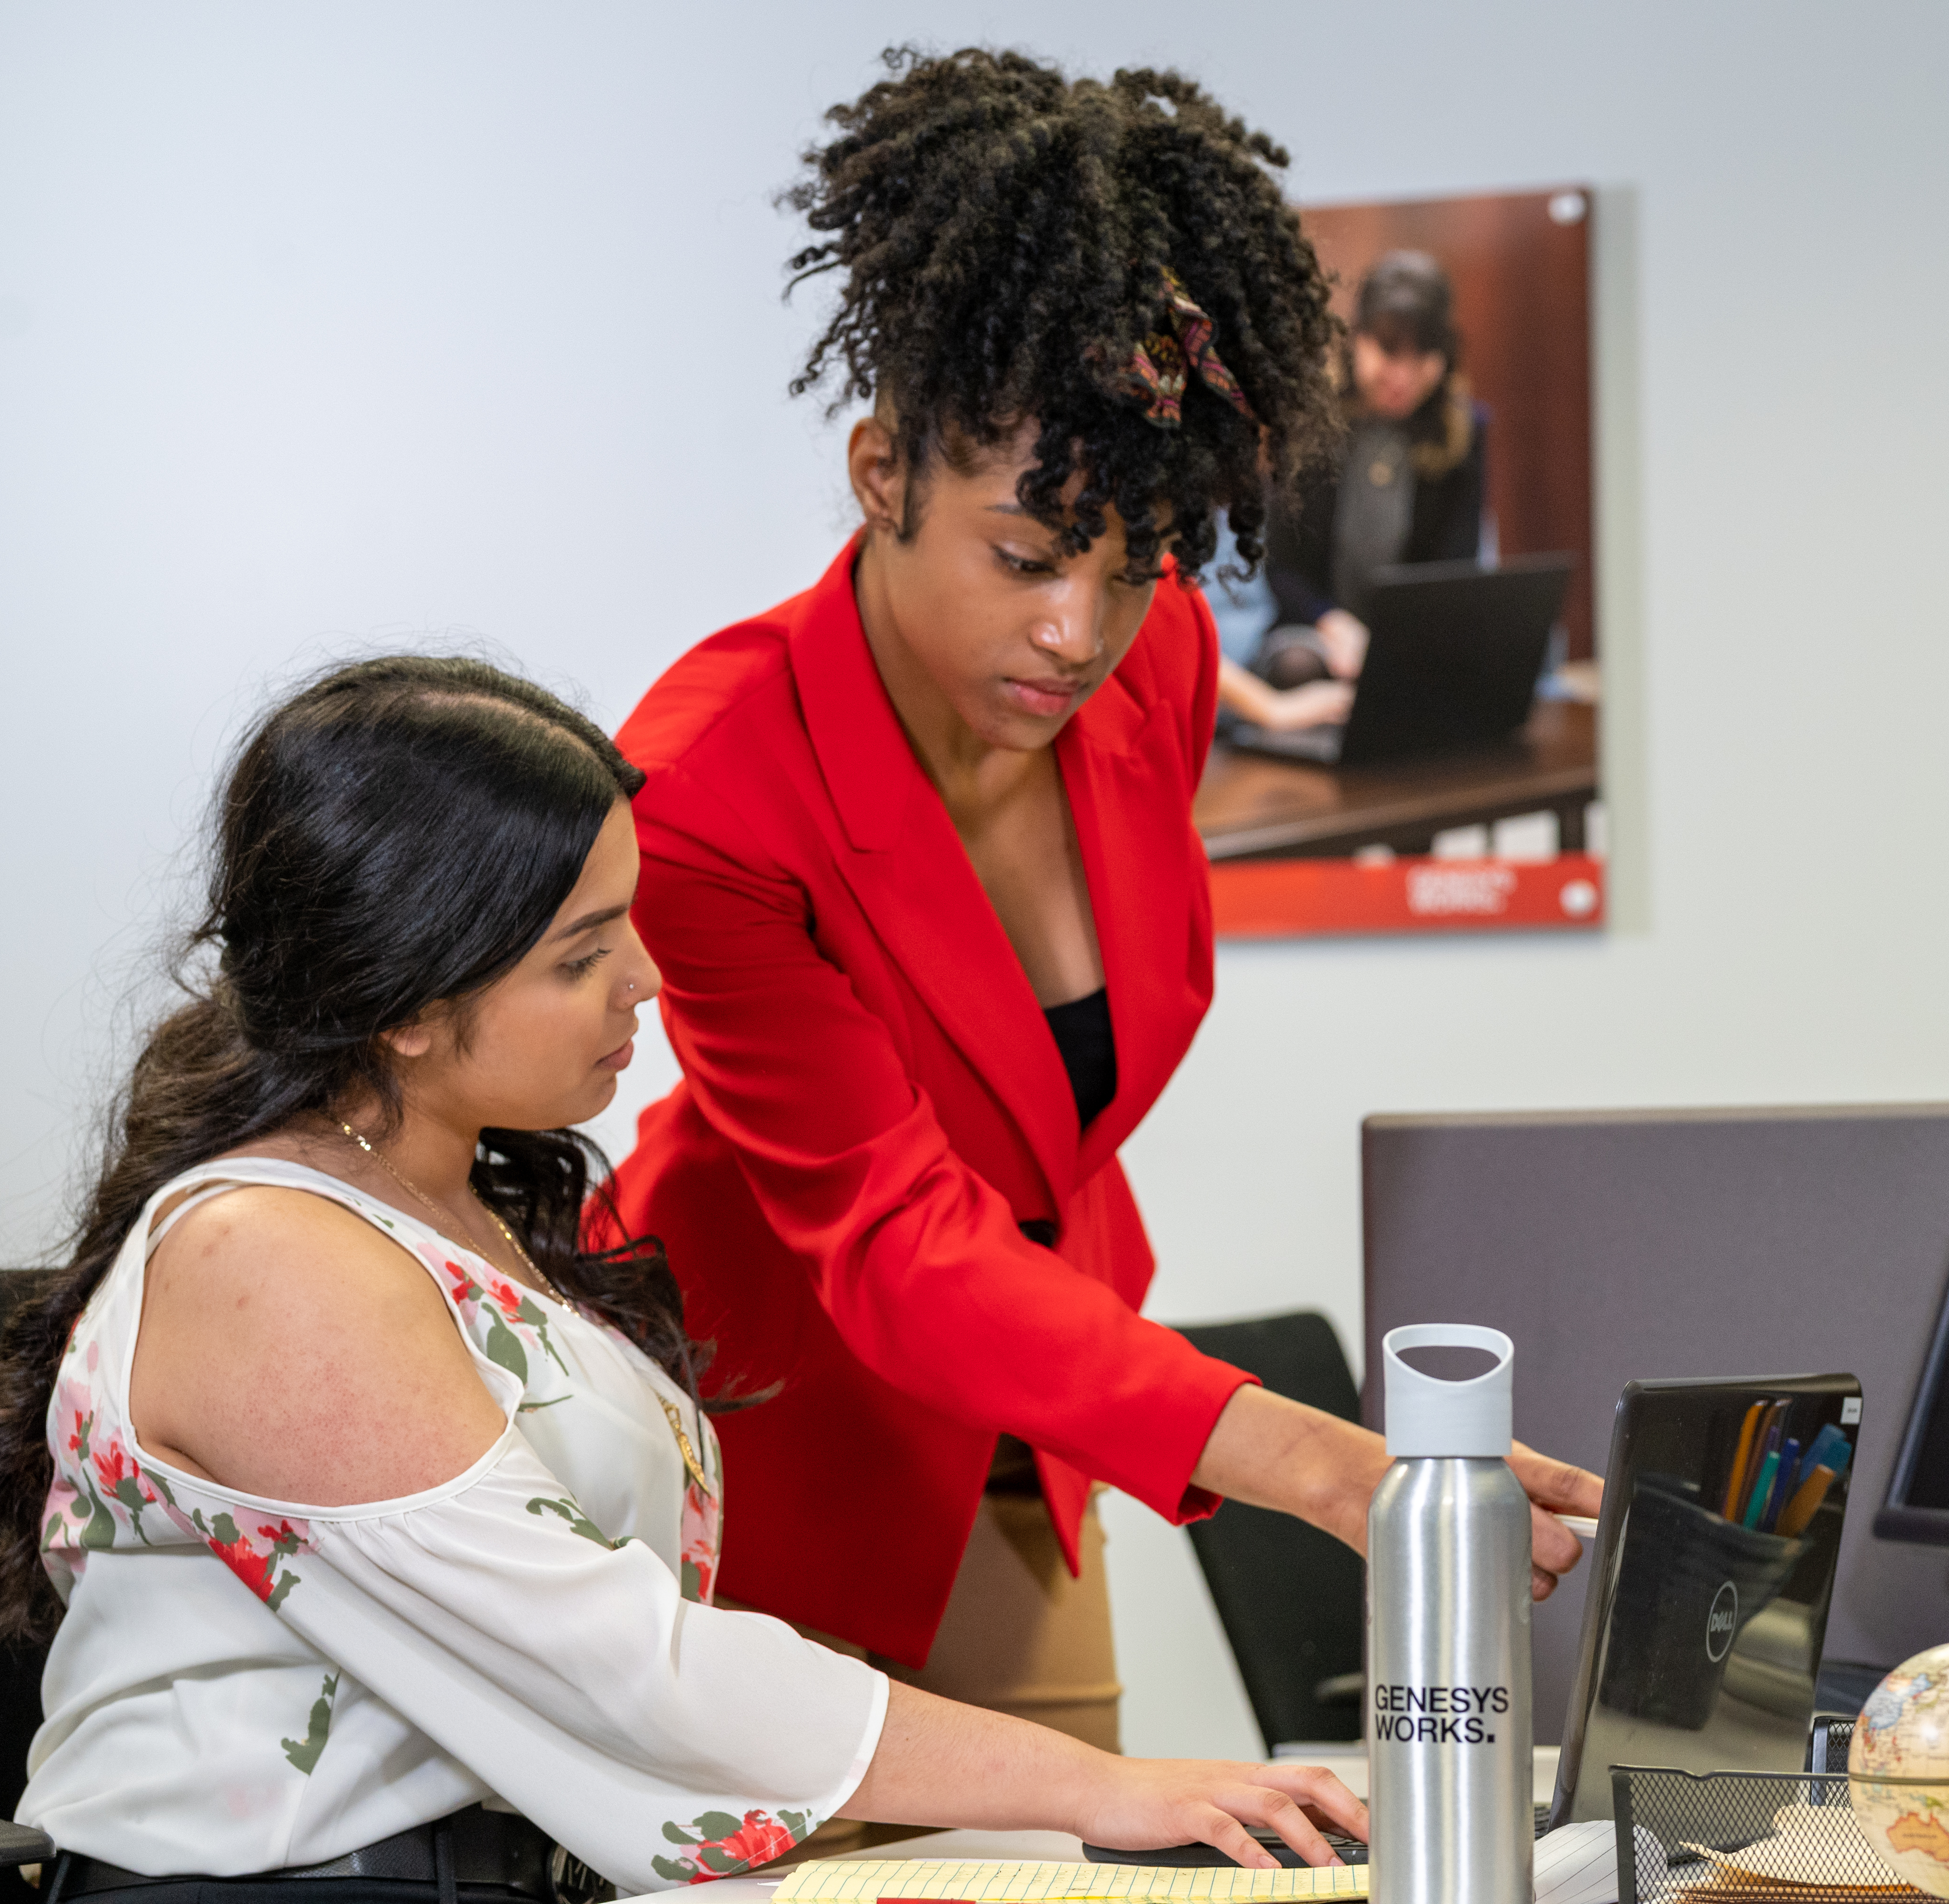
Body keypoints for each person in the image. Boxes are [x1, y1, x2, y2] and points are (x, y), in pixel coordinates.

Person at [0, 658, 1366, 1900]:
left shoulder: (455, 1204)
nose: (645, 983)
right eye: (582, 952)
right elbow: (621, 1663)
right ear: (410, 1005)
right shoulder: (268, 1258)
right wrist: (1090, 1786)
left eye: (628, 920)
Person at [608, 49, 1599, 1779]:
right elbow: (894, 1235)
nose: (1078, 625)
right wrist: (1319, 1458)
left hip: (1036, 1430)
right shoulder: (706, 786)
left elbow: (1041, 1149)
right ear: (877, 469)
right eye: (1023, 552)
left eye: (1134, 555)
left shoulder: (1158, 663)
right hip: (765, 1454)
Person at [1255, 249, 1491, 694]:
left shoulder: (1465, 431)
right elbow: (1283, 567)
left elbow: (1457, 567)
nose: (1402, 375)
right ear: (1356, 339)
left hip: (1417, 635)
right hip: (1315, 629)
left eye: (1423, 354)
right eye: (1387, 350)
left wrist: (1394, 640)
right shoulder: (1310, 422)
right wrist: (1335, 625)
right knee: (1297, 668)